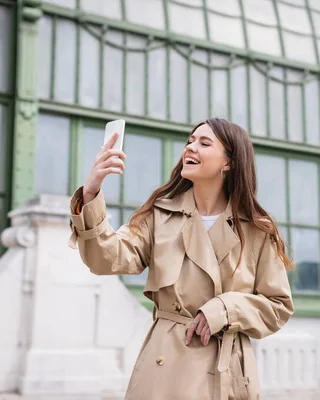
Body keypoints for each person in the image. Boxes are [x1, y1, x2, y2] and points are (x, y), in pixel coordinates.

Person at [68, 118, 294, 400]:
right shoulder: (160, 215)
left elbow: (278, 306)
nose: (190, 148)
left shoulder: (256, 230)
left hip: (226, 373)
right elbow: (105, 258)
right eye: (190, 141)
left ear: (228, 162)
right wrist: (90, 194)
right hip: (165, 369)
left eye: (204, 143)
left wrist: (226, 309)